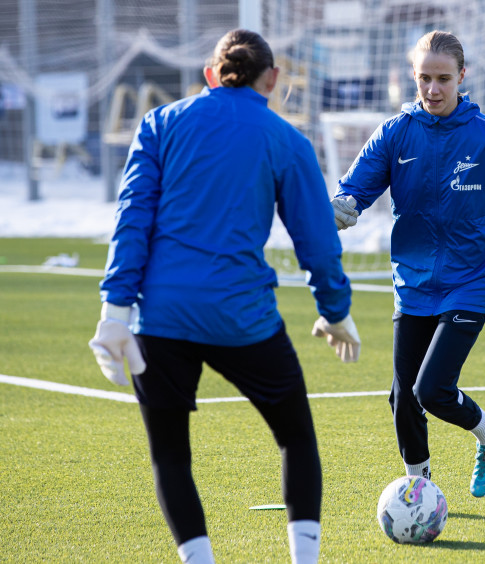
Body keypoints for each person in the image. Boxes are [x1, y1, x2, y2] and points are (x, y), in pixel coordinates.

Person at [88, 29, 361, 564]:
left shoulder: (160, 124)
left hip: (160, 319)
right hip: (244, 318)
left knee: (170, 455)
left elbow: (131, 222)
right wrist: (335, 312)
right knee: (296, 440)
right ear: (274, 79)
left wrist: (114, 312)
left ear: (211, 74)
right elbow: (318, 244)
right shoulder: (285, 138)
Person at [331, 30, 485, 498]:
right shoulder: (395, 132)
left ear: (462, 77)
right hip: (413, 280)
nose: (432, 89)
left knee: (432, 390)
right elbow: (356, 188)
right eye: (424, 78)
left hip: (473, 278)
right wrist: (342, 206)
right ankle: (418, 488)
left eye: (443, 78)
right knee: (401, 397)